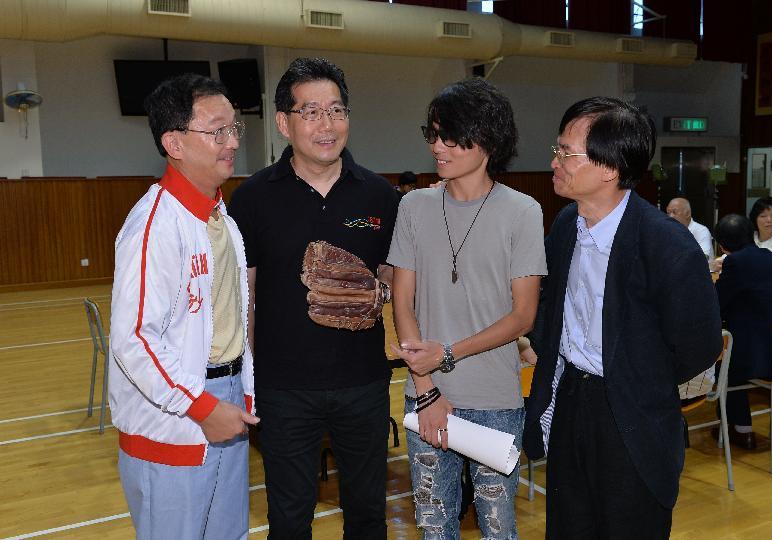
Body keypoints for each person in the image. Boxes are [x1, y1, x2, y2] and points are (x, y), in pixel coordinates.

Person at [522, 97, 722, 538]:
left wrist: (639, 377)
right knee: (569, 525)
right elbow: (552, 310)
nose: (555, 161)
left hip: (633, 412)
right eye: (558, 149)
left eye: (566, 153)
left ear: (610, 168)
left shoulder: (666, 245)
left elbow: (700, 345)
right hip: (573, 399)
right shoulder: (564, 226)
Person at [227, 57, 398, 540]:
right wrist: (250, 379)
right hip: (285, 390)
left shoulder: (380, 196)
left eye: (337, 110)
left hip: (363, 383)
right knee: (288, 517)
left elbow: (394, 280)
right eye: (311, 112)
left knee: (368, 515)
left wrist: (376, 290)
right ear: (284, 122)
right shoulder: (254, 198)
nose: (327, 124)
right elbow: (247, 296)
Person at [389, 77, 546, 539]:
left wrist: (449, 352)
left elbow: (523, 316)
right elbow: (403, 300)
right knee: (433, 526)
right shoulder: (414, 206)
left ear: (487, 140)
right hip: (427, 397)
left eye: (450, 136)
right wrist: (427, 387)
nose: (438, 146)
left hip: (496, 400)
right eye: (432, 134)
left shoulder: (523, 211)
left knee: (498, 528)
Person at [109, 73, 258, 539]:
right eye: (217, 131)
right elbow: (133, 339)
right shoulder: (154, 225)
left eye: (234, 129)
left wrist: (240, 392)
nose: (231, 141)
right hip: (175, 419)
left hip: (225, 403)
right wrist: (201, 405)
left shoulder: (221, 220)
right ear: (174, 142)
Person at [712, 213, 772, 448]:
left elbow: (716, 303)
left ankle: (742, 429)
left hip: (766, 363)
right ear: (752, 235)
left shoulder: (735, 263)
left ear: (722, 245)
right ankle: (731, 425)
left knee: (725, 361)